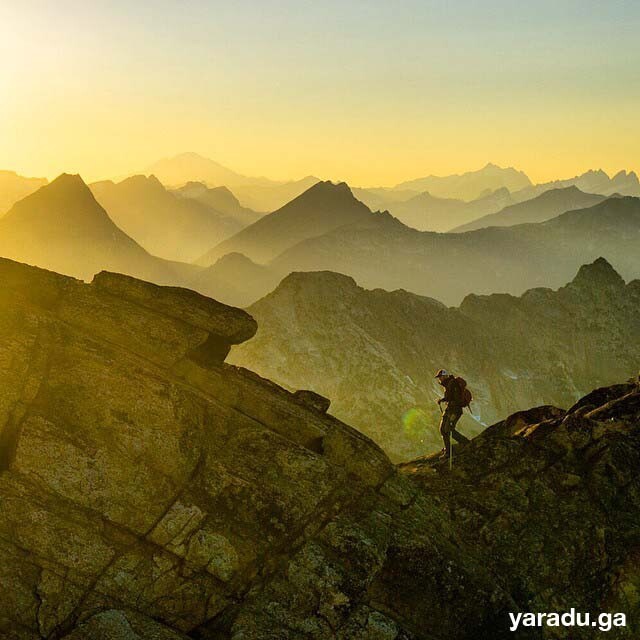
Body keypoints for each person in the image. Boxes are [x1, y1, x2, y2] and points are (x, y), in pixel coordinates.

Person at [435, 369, 470, 457]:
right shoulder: (449, 384)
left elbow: (455, 398)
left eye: (440, 377)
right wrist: (442, 400)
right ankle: (449, 449)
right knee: (444, 429)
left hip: (454, 410)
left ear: (444, 376)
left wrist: (445, 401)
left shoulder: (452, 384)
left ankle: (465, 443)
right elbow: (450, 397)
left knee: (447, 429)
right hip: (451, 409)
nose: (439, 379)